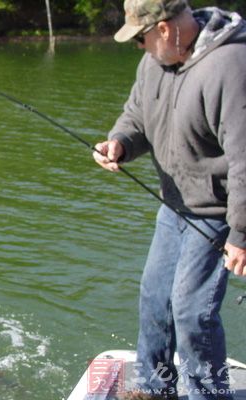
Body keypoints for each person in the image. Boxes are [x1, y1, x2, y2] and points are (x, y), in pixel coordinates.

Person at [93, 0, 246, 399]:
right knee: (155, 299)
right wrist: (119, 144)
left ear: (163, 30)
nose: (138, 48)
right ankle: (153, 390)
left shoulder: (231, 65)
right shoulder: (154, 63)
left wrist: (242, 234)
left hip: (218, 212)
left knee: (192, 311)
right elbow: (136, 117)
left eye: (140, 39)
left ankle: (208, 395)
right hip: (173, 205)